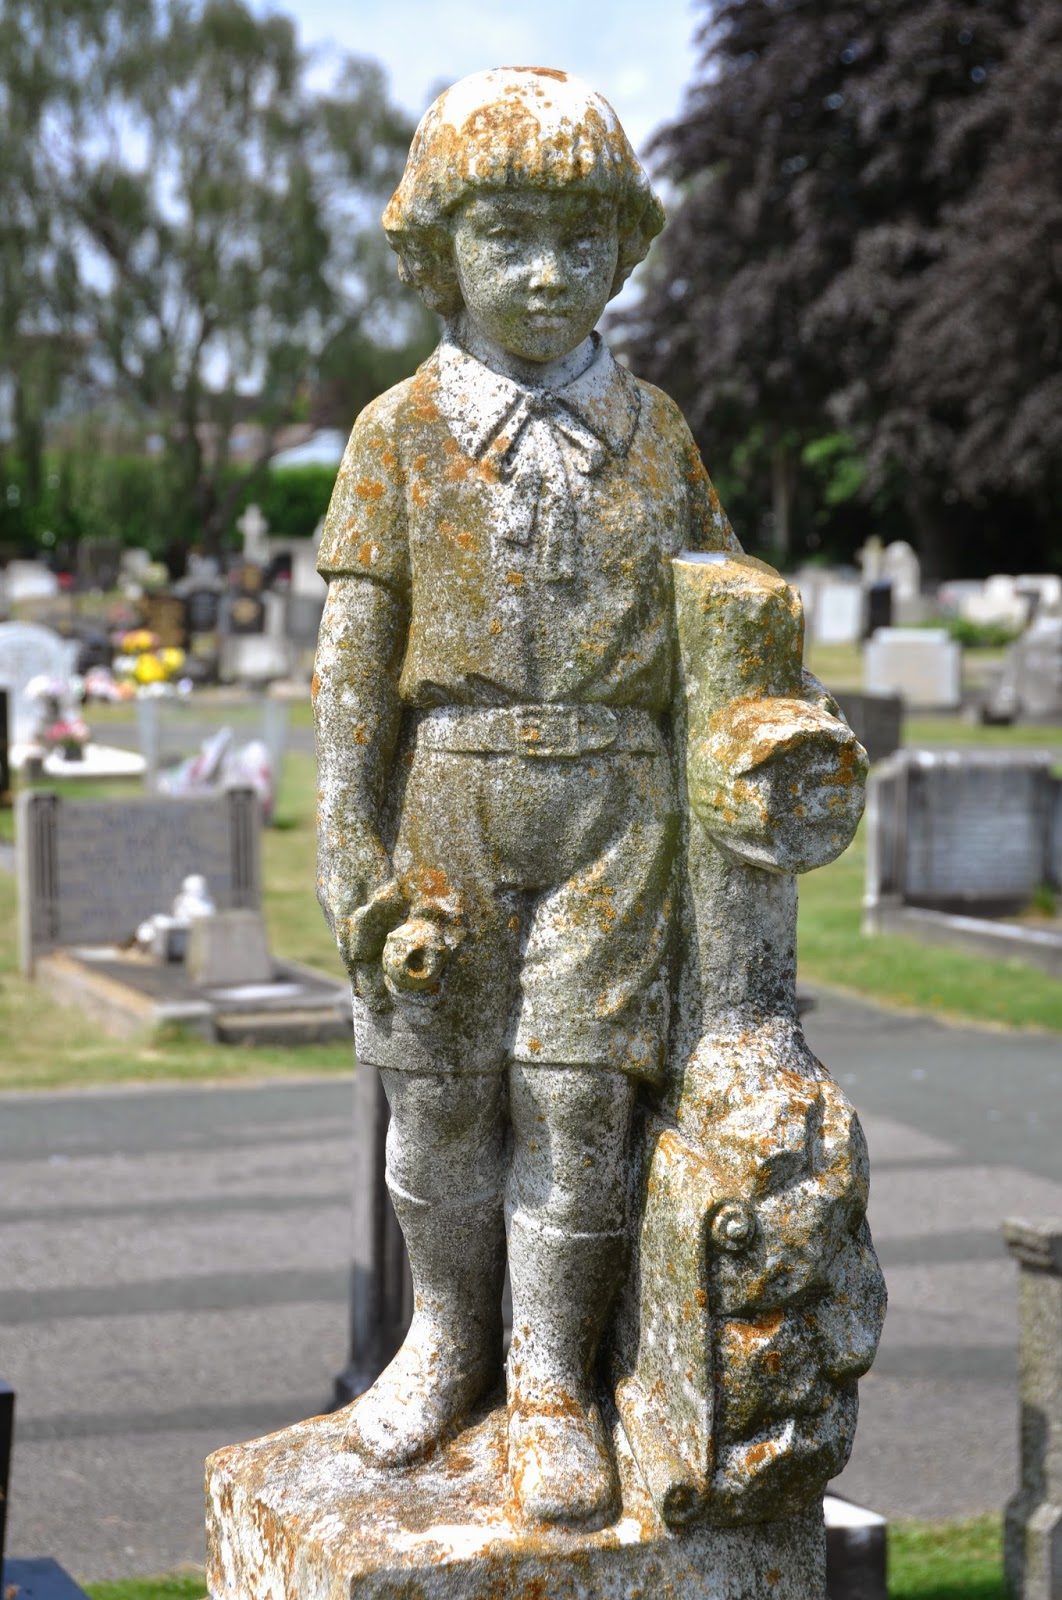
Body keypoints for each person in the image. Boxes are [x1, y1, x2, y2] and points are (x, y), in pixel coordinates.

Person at [312, 66, 738, 1528]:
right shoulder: (400, 431)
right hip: (451, 799)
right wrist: (344, 830)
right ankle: (443, 1343)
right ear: (439, 251)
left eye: (579, 237)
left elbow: (719, 621)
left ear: (625, 247)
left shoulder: (656, 433)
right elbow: (355, 649)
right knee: (437, 1099)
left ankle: (551, 1381)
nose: (547, 273)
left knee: (575, 1102)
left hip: (616, 812)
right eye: (508, 237)